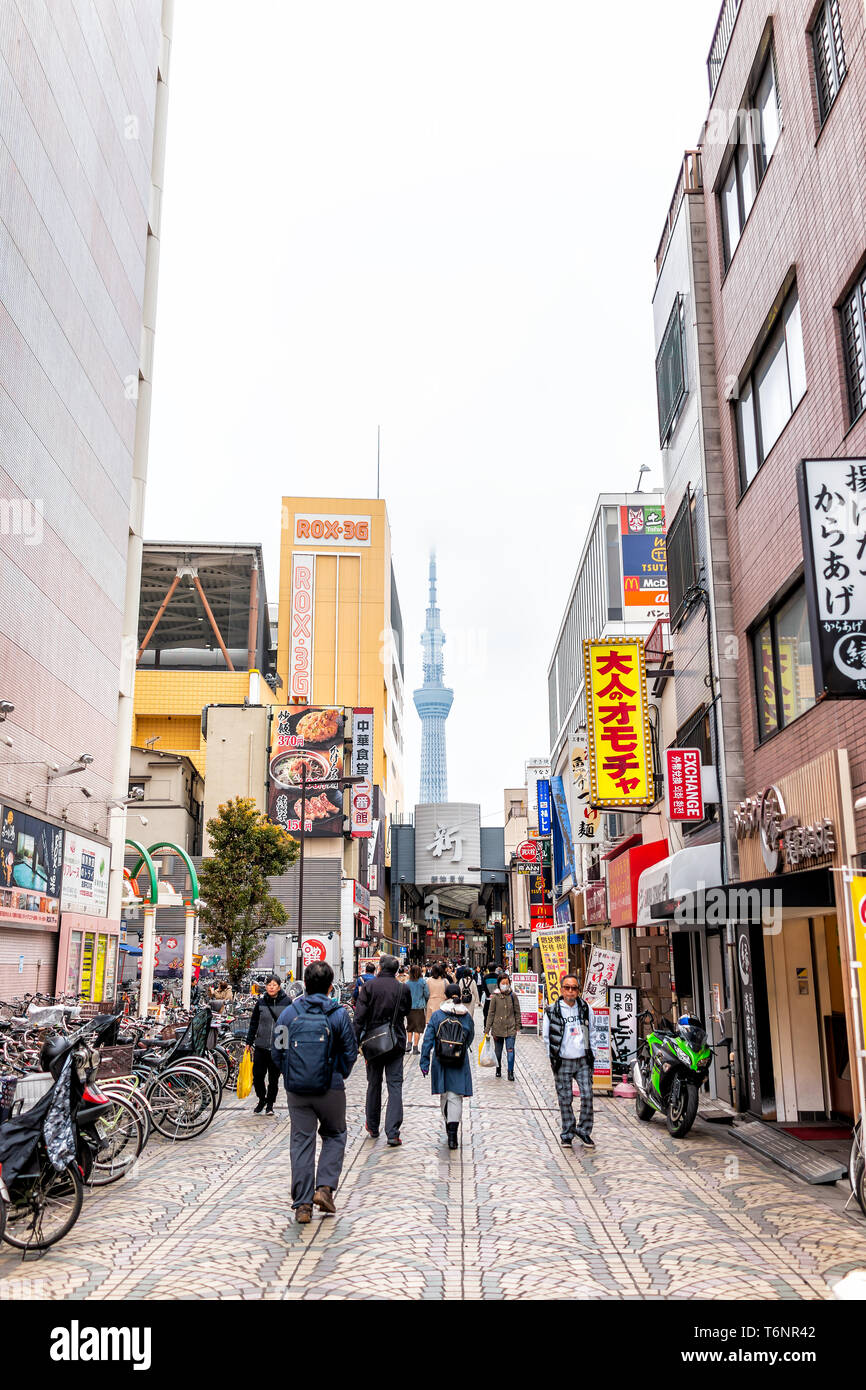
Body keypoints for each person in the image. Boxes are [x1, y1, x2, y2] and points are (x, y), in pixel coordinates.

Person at [272, 960, 358, 1224]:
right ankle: (324, 1189)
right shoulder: (339, 1014)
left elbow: (277, 1050)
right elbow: (350, 1052)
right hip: (331, 1087)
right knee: (335, 1134)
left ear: (305, 985)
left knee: (301, 1142)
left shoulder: (289, 1013)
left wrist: (290, 1073)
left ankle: (302, 1206)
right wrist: (338, 1073)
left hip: (298, 1090)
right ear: (331, 987)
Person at [354, 954, 411, 1146]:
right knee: (395, 1085)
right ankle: (393, 1132)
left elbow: (359, 1017)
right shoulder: (403, 988)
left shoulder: (369, 987)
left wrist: (355, 1041)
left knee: (374, 1083)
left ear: (380, 967)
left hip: (373, 1042)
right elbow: (406, 1011)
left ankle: (372, 1125)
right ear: (396, 970)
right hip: (395, 1039)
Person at [420, 983, 475, 1149]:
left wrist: (424, 1061)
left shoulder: (437, 1016)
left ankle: (449, 1128)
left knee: (444, 1095)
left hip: (440, 1060)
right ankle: (453, 1135)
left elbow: (428, 1039)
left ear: (445, 996)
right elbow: (470, 1037)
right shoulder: (466, 1016)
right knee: (455, 1096)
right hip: (459, 1060)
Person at [543, 975, 595, 1149]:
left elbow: (592, 1032)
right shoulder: (552, 1010)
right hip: (562, 1060)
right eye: (567, 987)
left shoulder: (585, 1008)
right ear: (562, 989)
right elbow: (546, 1037)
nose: (570, 991)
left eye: (574, 988)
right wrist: (553, 1058)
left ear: (578, 990)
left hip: (582, 1060)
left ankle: (584, 1130)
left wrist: (592, 1054)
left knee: (587, 1095)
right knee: (565, 1099)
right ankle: (567, 1133)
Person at [245, 973, 291, 1115]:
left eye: (274, 985)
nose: (271, 987)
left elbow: (291, 1023)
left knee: (273, 1078)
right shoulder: (261, 1002)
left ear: (279, 987)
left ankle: (270, 1104)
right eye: (269, 985)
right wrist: (249, 1041)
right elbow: (253, 1023)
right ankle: (261, 1099)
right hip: (261, 1044)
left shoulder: (287, 1002)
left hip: (278, 1046)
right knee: (257, 1076)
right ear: (266, 987)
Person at [483, 972, 522, 1080]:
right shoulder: (495, 997)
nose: (505, 985)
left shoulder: (513, 996)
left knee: (510, 1050)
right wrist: (487, 1028)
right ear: (499, 984)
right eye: (503, 983)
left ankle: (510, 1072)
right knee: (498, 1052)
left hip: (511, 1028)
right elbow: (490, 1013)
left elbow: (517, 1011)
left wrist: (518, 1025)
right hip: (497, 1028)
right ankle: (498, 1069)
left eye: (507, 983)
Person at [405, 964, 429, 1054]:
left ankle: (409, 1043)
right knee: (418, 1028)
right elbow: (427, 994)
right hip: (419, 1008)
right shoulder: (422, 982)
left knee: (410, 1026)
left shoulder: (407, 983)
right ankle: (415, 1047)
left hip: (409, 1007)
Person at [480, 964, 500, 1028]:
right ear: (495, 969)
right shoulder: (498, 977)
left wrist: (489, 994)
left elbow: (484, 987)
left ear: (488, 969)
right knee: (496, 1012)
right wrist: (494, 993)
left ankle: (486, 1027)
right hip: (496, 997)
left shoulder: (485, 977)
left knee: (486, 1013)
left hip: (488, 998)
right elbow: (499, 987)